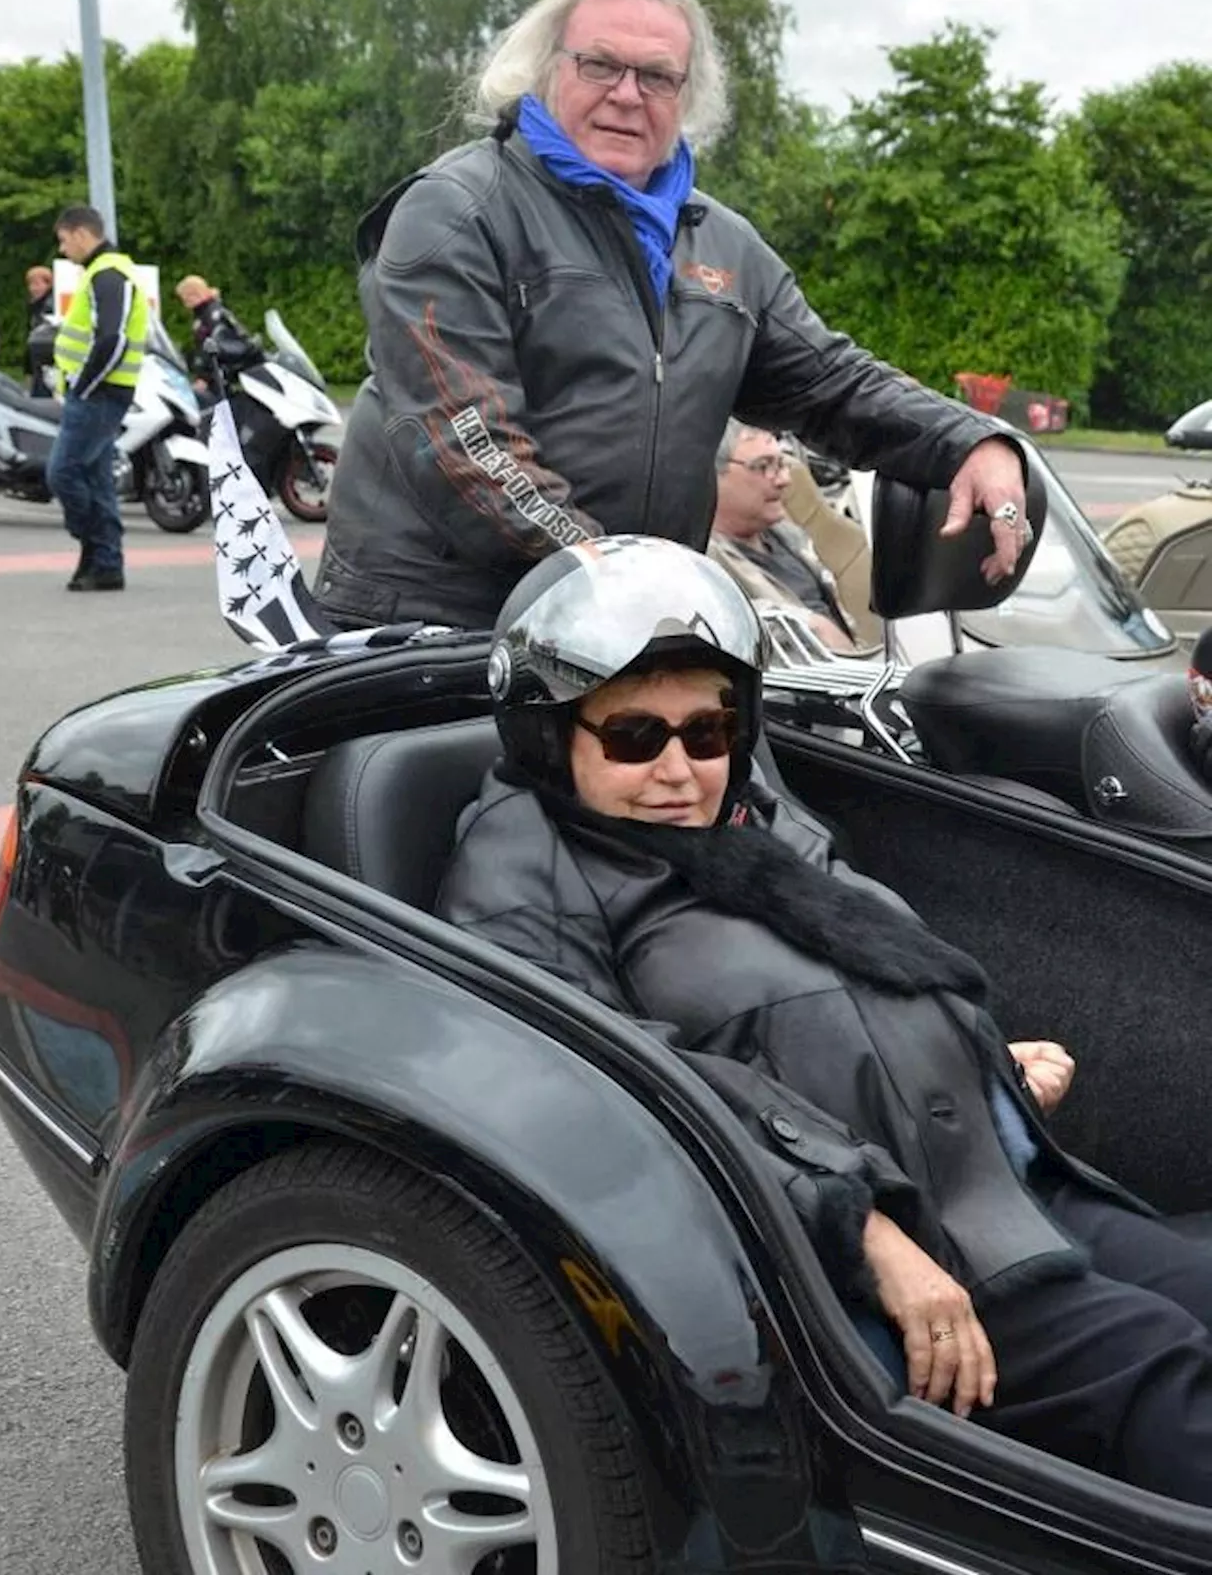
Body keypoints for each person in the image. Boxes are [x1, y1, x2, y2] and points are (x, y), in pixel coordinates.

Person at [439, 534, 1212, 1505]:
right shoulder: (528, 868)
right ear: (553, 739)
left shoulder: (750, 830)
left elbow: (831, 1001)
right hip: (878, 1242)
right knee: (1161, 1372)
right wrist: (871, 1235)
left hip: (998, 1188)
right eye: (635, 736)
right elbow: (626, 1088)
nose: (679, 767)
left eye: (708, 731)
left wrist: (974, 1062)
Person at [316, 0, 1028, 633]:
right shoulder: (457, 213)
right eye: (600, 64)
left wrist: (973, 441)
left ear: (685, 98)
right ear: (545, 71)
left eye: (657, 76)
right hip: (438, 626)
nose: (627, 94)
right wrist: (619, 581)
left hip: (621, 629)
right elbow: (467, 446)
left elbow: (833, 382)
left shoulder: (721, 244)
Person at [47, 204, 149, 592]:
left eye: (63, 240)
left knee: (63, 472)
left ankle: (95, 547)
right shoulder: (103, 273)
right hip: (100, 392)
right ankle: (105, 564)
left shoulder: (109, 273)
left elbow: (113, 338)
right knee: (95, 477)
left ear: (80, 233)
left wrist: (84, 386)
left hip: (99, 394)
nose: (62, 249)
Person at [709, 419, 858, 651]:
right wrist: (807, 625)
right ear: (711, 475)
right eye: (763, 466)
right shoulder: (701, 562)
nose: (784, 480)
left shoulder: (786, 535)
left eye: (781, 464)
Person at [174, 274, 262, 395]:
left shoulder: (210, 316)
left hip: (225, 379)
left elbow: (214, 347)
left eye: (186, 298)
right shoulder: (210, 312)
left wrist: (205, 378)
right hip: (224, 375)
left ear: (195, 294)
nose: (185, 303)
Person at [25, 264, 56, 396]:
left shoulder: (49, 307)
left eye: (37, 284)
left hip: (45, 364)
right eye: (30, 284)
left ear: (48, 284)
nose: (33, 289)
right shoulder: (35, 307)